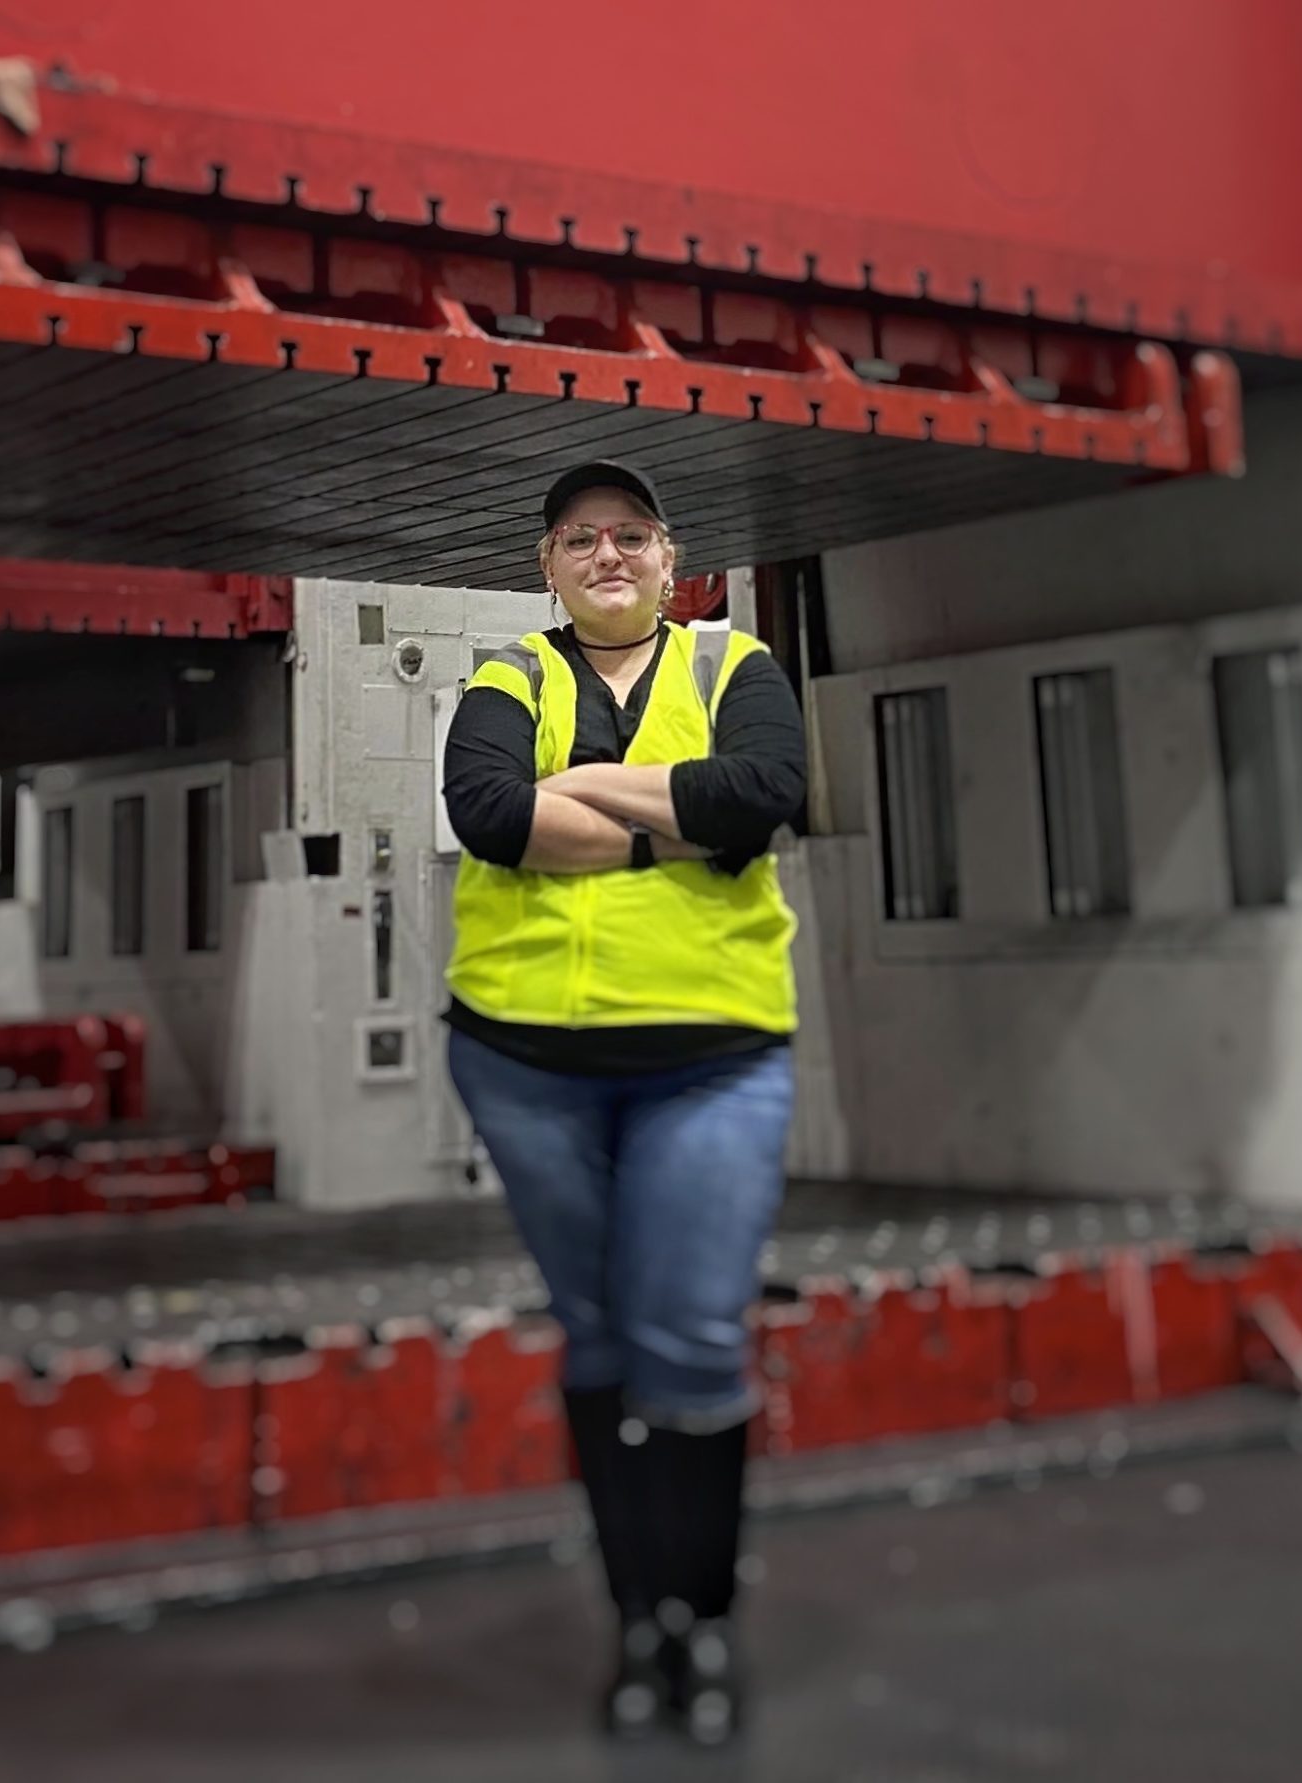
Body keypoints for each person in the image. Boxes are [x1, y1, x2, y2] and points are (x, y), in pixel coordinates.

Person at [440, 460, 806, 1746]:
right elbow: (487, 815)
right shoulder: (507, 681)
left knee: (694, 1338)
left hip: (711, 1055)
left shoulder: (732, 668)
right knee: (597, 1340)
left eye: (631, 537)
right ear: (546, 565)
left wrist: (583, 804)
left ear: (670, 558)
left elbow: (764, 795)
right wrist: (676, 821)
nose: (607, 555)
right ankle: (636, 1624)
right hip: (524, 1062)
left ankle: (699, 1626)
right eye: (580, 539)